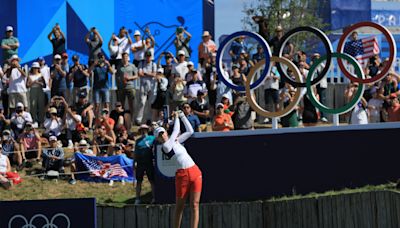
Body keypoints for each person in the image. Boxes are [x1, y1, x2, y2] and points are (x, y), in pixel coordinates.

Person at [154, 111, 201, 228]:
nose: (162, 136)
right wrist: (176, 118)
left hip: (195, 171)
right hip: (182, 175)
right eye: (160, 135)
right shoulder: (165, 146)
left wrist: (182, 116)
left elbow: (190, 131)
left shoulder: (175, 141)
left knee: (195, 204)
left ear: (165, 132)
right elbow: (175, 131)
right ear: (158, 139)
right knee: (179, 206)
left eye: (163, 133)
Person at [134, 124, 156, 204]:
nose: (143, 131)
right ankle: (137, 198)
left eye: (145, 129)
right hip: (140, 163)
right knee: (139, 181)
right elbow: (135, 152)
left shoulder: (152, 138)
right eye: (142, 130)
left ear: (147, 130)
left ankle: (154, 198)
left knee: (152, 180)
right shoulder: (138, 141)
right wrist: (134, 162)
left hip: (149, 162)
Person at [116, 52, 139, 122]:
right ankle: (122, 120)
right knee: (121, 105)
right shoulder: (119, 66)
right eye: (123, 57)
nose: (125, 58)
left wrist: (130, 78)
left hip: (130, 87)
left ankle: (131, 119)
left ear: (128, 57)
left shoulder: (132, 66)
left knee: (131, 104)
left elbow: (136, 75)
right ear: (122, 58)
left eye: (126, 57)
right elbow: (117, 76)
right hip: (121, 88)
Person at [137, 51, 157, 124]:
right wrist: (149, 74)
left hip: (151, 85)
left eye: (149, 56)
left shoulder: (153, 64)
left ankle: (149, 118)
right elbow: (139, 73)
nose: (148, 58)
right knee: (142, 102)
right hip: (143, 84)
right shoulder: (141, 63)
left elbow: (154, 74)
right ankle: (139, 119)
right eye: (147, 56)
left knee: (150, 103)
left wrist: (145, 73)